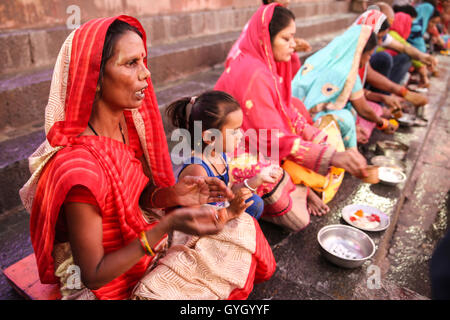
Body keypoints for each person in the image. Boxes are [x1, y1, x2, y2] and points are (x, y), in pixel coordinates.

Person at [19, 16, 276, 300]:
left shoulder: (125, 127)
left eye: (144, 60)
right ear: (94, 78)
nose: (146, 73)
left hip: (146, 243)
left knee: (240, 223)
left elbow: (140, 197)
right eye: (131, 63)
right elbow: (93, 274)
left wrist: (172, 195)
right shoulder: (79, 168)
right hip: (110, 280)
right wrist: (167, 225)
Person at [215, 4, 368, 230]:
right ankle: (296, 189)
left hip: (252, 138)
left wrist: (317, 140)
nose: (293, 44)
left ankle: (296, 184)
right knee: (297, 217)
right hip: (223, 151)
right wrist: (331, 157)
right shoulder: (254, 74)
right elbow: (273, 138)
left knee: (309, 126)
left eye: (293, 37)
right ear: (266, 39)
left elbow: (287, 110)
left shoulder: (263, 65)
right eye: (286, 39)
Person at [167, 90, 284, 220]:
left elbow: (229, 192)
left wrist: (258, 179)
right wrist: (229, 213)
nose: (240, 136)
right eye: (234, 132)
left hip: (219, 213)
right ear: (210, 137)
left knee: (254, 202)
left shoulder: (220, 155)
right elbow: (194, 219)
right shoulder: (198, 170)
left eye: (239, 129)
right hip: (199, 226)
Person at [292, 25, 397, 149]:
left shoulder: (320, 58)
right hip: (306, 122)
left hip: (293, 114)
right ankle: (351, 154)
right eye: (369, 55)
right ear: (359, 52)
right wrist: (382, 123)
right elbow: (363, 109)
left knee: (347, 108)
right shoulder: (347, 71)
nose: (367, 60)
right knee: (347, 117)